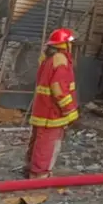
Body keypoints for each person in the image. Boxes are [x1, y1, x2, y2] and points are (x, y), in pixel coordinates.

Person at [26, 28, 79, 179]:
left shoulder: (48, 59)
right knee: (48, 145)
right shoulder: (61, 61)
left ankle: (31, 168)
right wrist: (70, 111)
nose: (72, 46)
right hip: (52, 113)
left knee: (37, 141)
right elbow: (58, 89)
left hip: (42, 109)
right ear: (64, 45)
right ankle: (40, 175)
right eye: (70, 43)